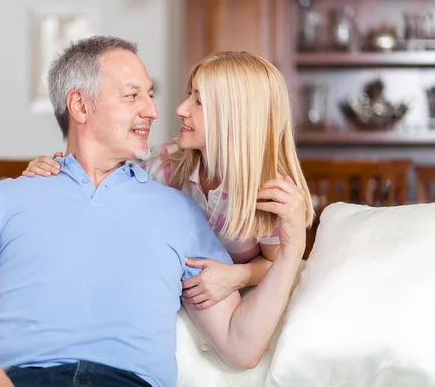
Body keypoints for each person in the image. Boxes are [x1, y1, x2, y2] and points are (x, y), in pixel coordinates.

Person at [0, 36, 308, 387]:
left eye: (151, 95)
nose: (155, 111)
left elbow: (241, 347)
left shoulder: (181, 211)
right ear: (80, 106)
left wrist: (291, 250)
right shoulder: (2, 199)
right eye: (133, 95)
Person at [24, 50, 315, 309]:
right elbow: (101, 177)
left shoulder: (271, 192)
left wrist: (238, 276)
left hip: (241, 307)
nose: (180, 108)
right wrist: (56, 170)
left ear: (235, 117)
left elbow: (280, 264)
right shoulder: (167, 162)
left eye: (198, 101)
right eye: (190, 94)